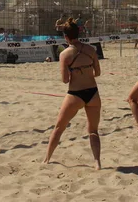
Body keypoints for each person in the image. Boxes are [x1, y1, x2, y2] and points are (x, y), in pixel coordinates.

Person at [43, 18, 102, 170]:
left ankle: (47, 159)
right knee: (93, 131)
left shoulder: (65, 54)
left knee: (59, 128)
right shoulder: (91, 50)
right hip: (93, 93)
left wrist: (75, 70)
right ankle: (97, 163)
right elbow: (98, 72)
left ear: (66, 37)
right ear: (79, 33)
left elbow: (64, 80)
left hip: (75, 94)